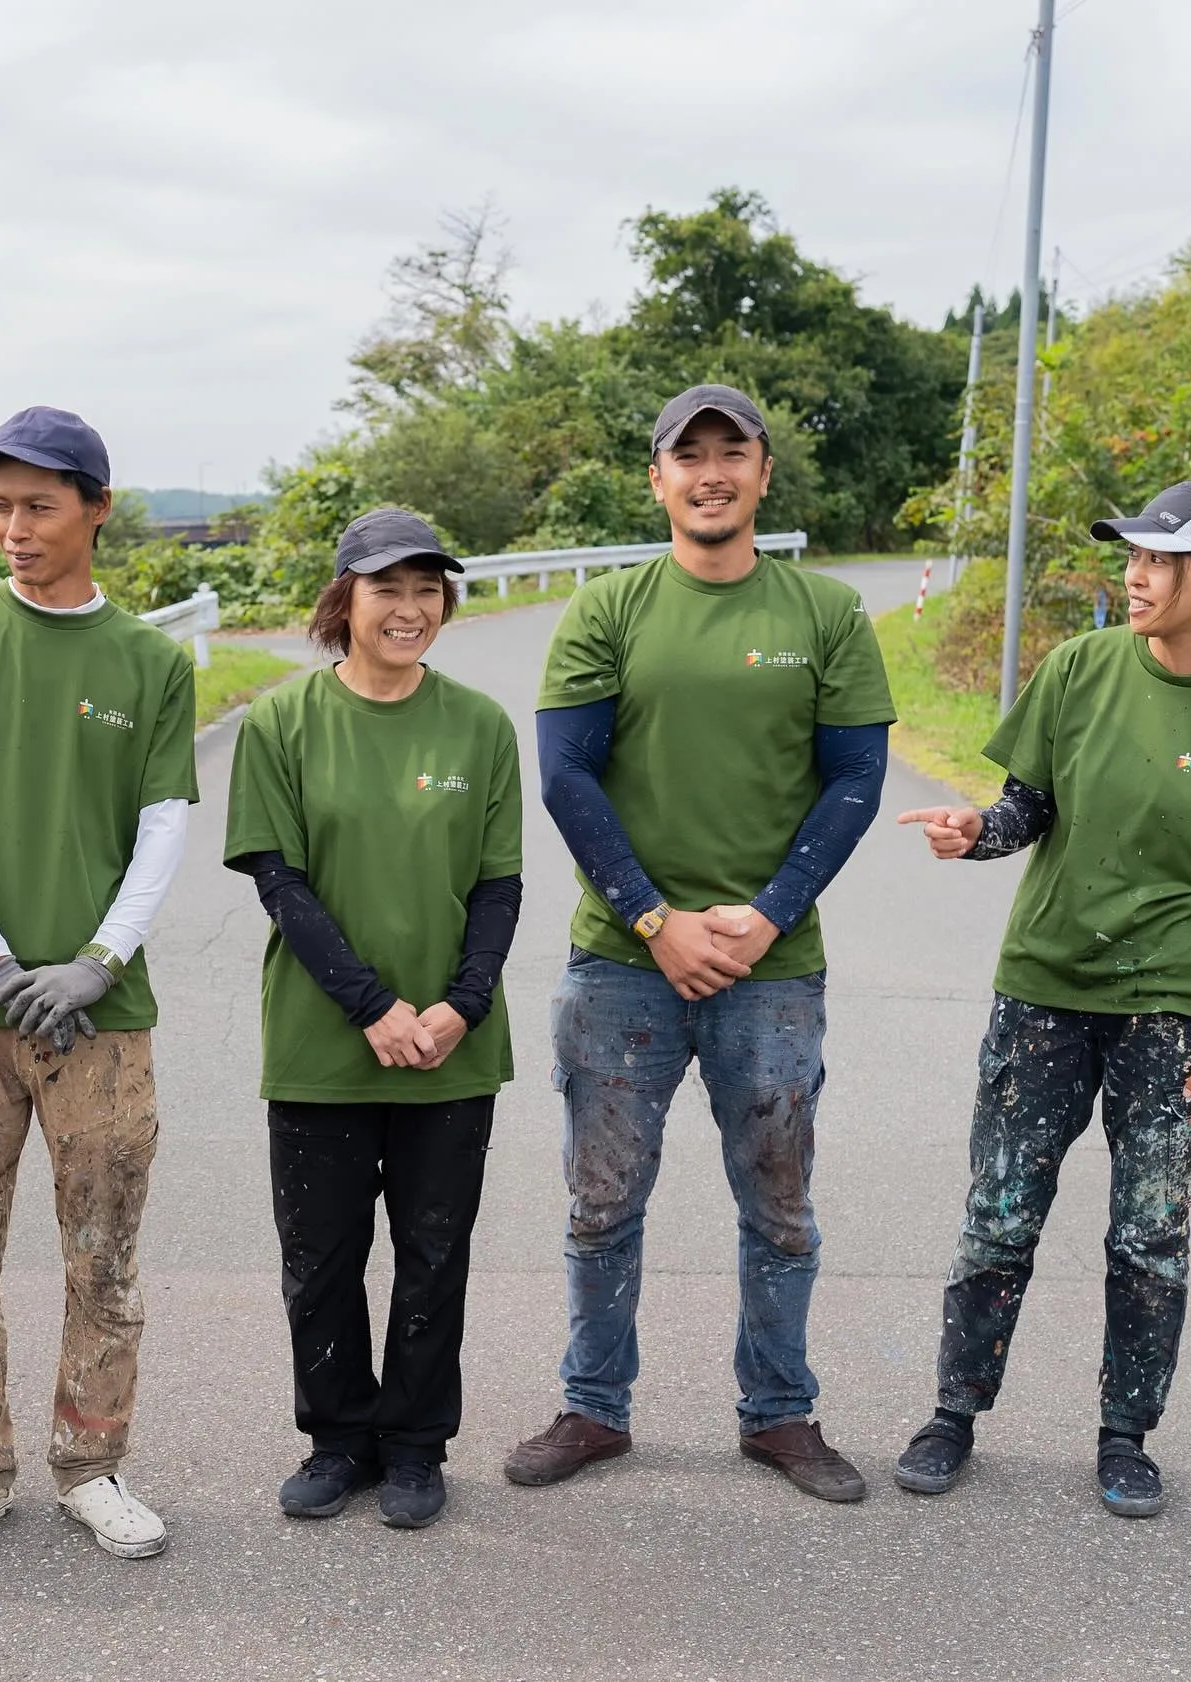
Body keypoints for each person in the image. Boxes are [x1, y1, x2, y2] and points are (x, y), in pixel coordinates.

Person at [892, 480, 1191, 1517]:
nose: (1133, 576)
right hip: (1044, 984)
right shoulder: (1080, 668)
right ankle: (954, 1409)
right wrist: (978, 834)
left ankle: (1125, 1433)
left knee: (1150, 1233)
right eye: (1131, 557)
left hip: (1175, 1007)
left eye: (1157, 560)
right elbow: (1027, 808)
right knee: (997, 1214)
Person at [504, 385, 895, 1502]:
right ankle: (594, 1404)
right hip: (621, 963)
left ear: (765, 473)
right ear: (658, 478)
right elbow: (566, 774)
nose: (712, 471)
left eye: (734, 452)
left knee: (778, 1201)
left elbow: (856, 781)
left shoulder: (825, 615)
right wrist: (652, 918)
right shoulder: (609, 610)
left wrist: (766, 912)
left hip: (771, 970)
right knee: (601, 1201)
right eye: (691, 454)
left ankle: (779, 1412)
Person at [0, 407, 197, 1564]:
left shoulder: (152, 662)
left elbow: (164, 824)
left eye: (37, 505)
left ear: (97, 510)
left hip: (101, 1015)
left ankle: (92, 1463)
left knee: (105, 1252)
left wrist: (97, 960)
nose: (12, 528)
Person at [224, 507, 522, 1531]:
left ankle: (412, 1443)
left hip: (452, 1046)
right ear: (342, 598)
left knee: (437, 1254)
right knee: (322, 1258)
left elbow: (498, 885)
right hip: (322, 1044)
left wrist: (459, 1005)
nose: (409, 607)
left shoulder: (480, 725)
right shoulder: (281, 722)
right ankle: (337, 1436)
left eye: (427, 588)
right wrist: (374, 1006)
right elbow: (280, 878)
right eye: (386, 587)